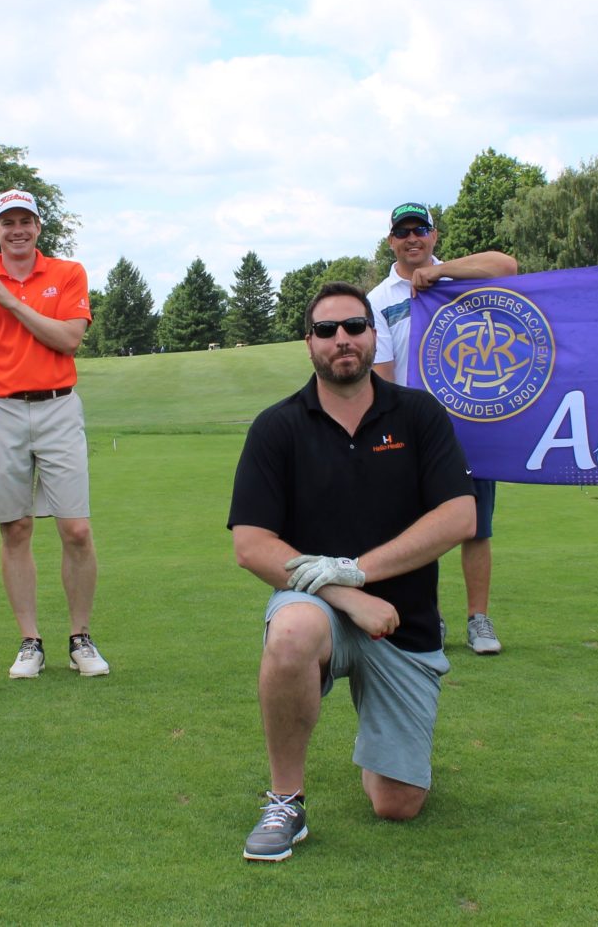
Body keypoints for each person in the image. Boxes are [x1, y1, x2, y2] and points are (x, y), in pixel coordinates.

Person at [229, 281, 476, 861]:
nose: (342, 339)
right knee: (292, 632)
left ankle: (381, 735)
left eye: (354, 327)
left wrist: (357, 574)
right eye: (326, 330)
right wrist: (346, 594)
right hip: (323, 610)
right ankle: (284, 801)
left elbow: (460, 516)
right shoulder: (277, 427)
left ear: (372, 335)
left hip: (403, 623)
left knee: (397, 804)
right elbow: (251, 545)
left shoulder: (419, 415)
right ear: (308, 343)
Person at [0, 190, 109, 679]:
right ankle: (30, 642)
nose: (17, 230)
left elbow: (68, 339)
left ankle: (80, 638)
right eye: (8, 223)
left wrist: (8, 301)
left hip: (58, 406)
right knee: (16, 528)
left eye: (26, 221)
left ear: (38, 228)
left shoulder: (67, 274)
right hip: (1, 411)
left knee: (76, 529)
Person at [367, 202, 517, 655]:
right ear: (391, 240)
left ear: (434, 235)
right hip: (415, 427)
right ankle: (429, 617)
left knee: (476, 526)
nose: (412, 238)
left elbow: (507, 267)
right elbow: (385, 374)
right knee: (416, 530)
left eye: (420, 230)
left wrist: (441, 273)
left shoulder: (462, 274)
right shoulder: (379, 299)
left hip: (472, 422)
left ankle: (480, 620)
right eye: (402, 232)